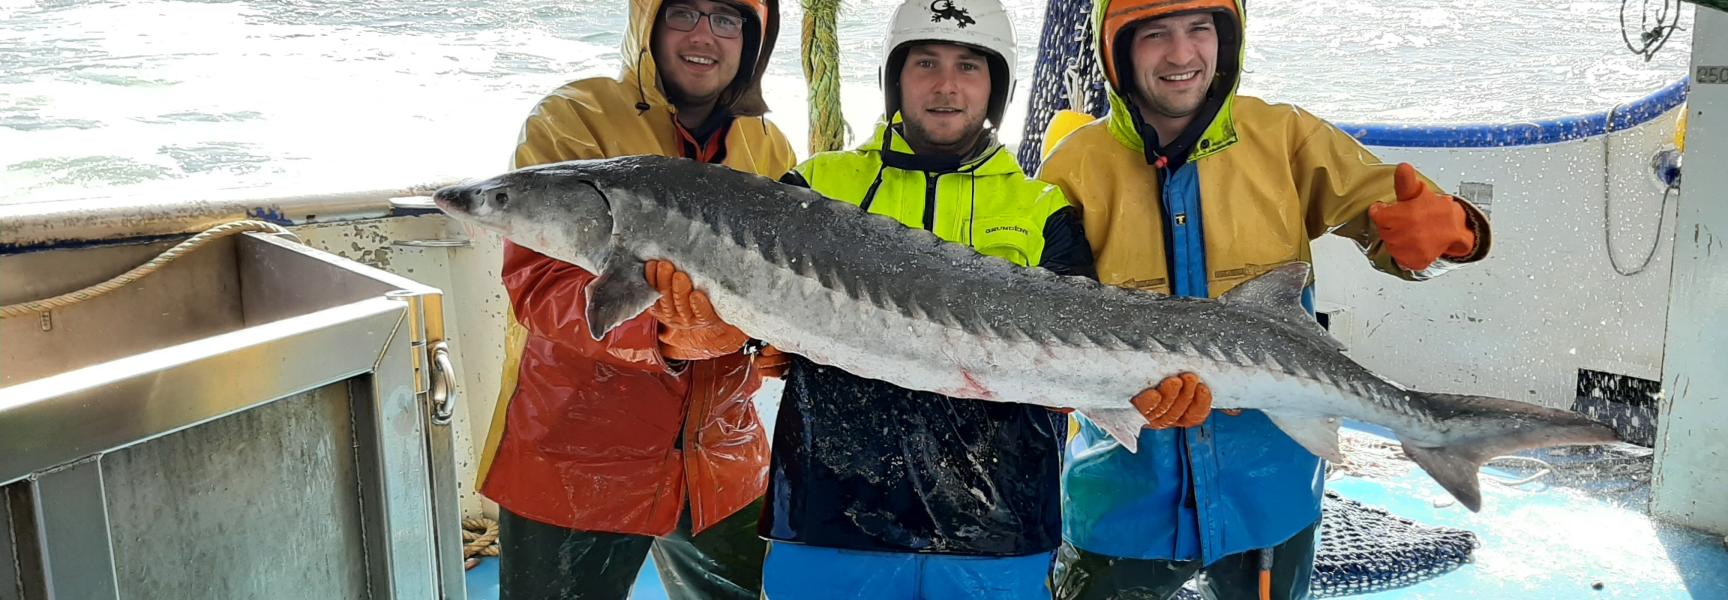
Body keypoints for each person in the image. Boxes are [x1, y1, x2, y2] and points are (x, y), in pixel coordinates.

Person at [1036, 0, 1493, 598]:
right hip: (1123, 488)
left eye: (1200, 29)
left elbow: (1389, 209)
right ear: (1117, 50)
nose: (1182, 55)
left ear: (1228, 36)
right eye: (1154, 35)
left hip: (1271, 487)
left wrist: (1450, 234)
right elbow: (1045, 316)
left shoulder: (1285, 137)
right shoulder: (1072, 165)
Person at [472, 0, 796, 597]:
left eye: (728, 19)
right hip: (580, 451)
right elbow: (538, 284)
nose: (705, 36)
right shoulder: (572, 117)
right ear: (649, 23)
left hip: (721, 448)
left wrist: (773, 345)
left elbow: (783, 280)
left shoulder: (769, 142)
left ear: (753, 38)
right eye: (685, 14)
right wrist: (663, 335)